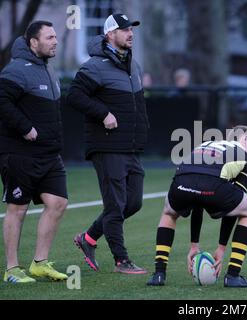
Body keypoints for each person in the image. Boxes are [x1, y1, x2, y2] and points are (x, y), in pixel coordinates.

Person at [67, 14, 149, 275]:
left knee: (133, 203)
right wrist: (103, 113)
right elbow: (74, 95)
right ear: (109, 35)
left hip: (130, 146)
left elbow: (139, 104)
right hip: (107, 145)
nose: (130, 33)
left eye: (131, 29)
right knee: (115, 206)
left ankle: (88, 238)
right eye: (124, 30)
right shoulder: (95, 65)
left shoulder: (132, 64)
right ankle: (121, 260)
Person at [147, 125, 247, 287]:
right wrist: (221, 249)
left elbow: (197, 198)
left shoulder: (207, 144)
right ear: (245, 139)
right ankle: (233, 275)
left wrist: (195, 245)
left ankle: (159, 274)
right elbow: (233, 210)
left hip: (181, 182)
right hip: (211, 186)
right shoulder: (245, 158)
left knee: (169, 213)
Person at [0, 21, 68, 283]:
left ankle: (40, 263)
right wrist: (24, 126)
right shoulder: (17, 69)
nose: (55, 41)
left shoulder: (48, 70)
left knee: (58, 203)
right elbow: (2, 102)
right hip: (19, 153)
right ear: (33, 42)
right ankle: (12, 269)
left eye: (55, 36)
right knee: (18, 209)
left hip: (49, 154)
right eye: (49, 37)